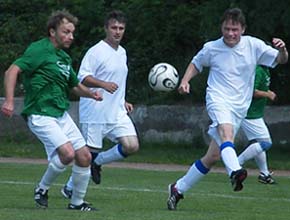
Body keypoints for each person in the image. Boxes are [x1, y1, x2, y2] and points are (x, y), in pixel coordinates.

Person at [167, 7, 288, 211]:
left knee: (212, 156)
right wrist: (185, 80)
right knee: (227, 133)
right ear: (221, 28)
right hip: (218, 99)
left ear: (243, 29)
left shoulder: (254, 45)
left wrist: (283, 49)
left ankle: (177, 188)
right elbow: (196, 64)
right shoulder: (212, 48)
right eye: (227, 29)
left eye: (235, 29)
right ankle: (235, 171)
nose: (230, 33)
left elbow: (280, 59)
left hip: (240, 107)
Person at [1, 9, 103, 211]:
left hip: (60, 114)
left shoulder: (64, 59)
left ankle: (76, 204)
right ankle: (42, 188)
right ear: (52, 31)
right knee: (67, 154)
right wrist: (10, 101)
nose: (70, 37)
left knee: (84, 157)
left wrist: (91, 94)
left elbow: (74, 86)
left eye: (72, 33)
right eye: (66, 32)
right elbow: (12, 70)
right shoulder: (39, 50)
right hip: (40, 113)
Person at [61, 10, 139, 199]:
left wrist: (123, 100)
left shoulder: (122, 52)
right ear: (106, 28)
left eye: (121, 28)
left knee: (132, 145)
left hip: (116, 111)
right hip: (95, 110)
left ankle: (98, 163)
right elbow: (82, 78)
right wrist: (102, 85)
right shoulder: (96, 51)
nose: (117, 32)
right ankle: (70, 188)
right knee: (88, 155)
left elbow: (117, 80)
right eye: (114, 27)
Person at [238, 65, 277, 184]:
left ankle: (264, 174)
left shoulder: (265, 70)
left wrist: (267, 91)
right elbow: (252, 91)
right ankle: (236, 163)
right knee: (265, 143)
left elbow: (260, 88)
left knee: (259, 143)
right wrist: (267, 94)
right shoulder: (258, 70)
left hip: (255, 113)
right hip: (250, 114)